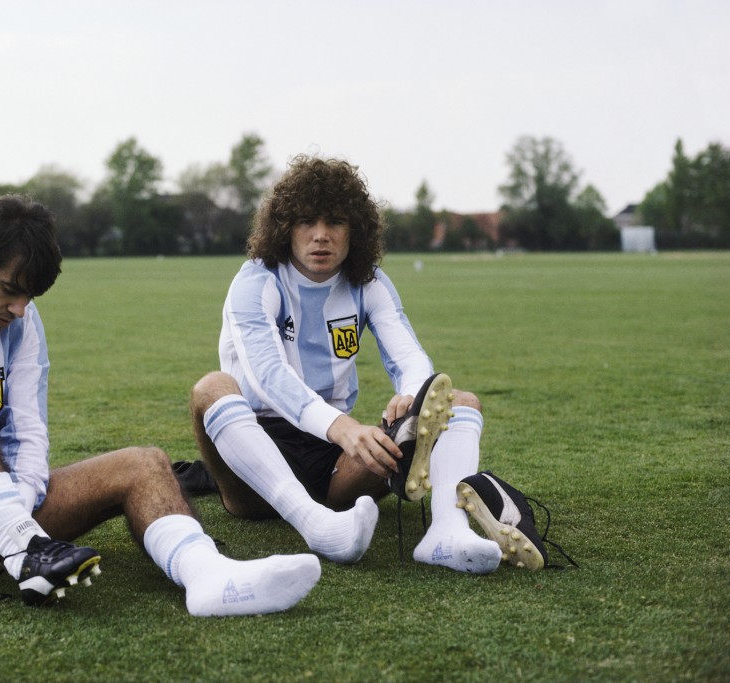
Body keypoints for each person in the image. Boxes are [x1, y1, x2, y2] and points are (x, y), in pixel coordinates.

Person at [0, 194, 321, 617]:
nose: (20, 310)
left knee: (144, 463)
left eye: (31, 297)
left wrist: (16, 512)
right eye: (10, 290)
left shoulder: (21, 323)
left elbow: (28, 435)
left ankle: (210, 579)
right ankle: (23, 547)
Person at [189, 155, 551, 574]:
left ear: (355, 230)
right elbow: (267, 376)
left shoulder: (368, 282)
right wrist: (344, 429)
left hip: (332, 458)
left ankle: (445, 533)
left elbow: (410, 356)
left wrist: (412, 398)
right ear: (285, 227)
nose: (320, 236)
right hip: (254, 452)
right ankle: (315, 524)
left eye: (336, 222)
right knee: (211, 387)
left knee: (462, 401)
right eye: (307, 222)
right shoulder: (257, 281)